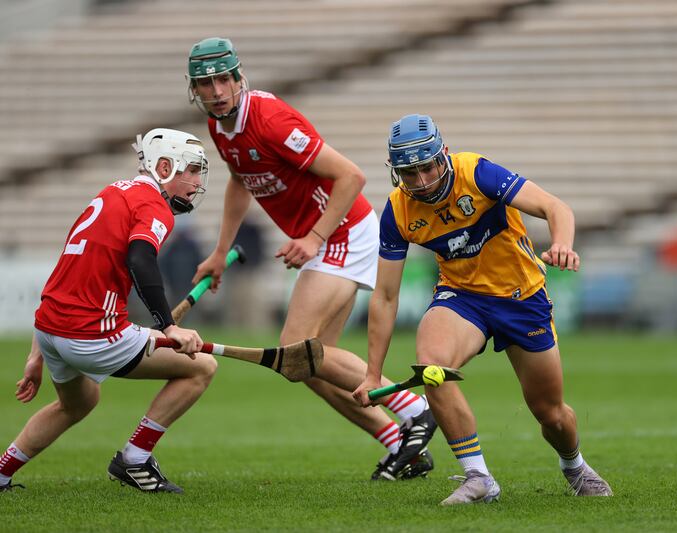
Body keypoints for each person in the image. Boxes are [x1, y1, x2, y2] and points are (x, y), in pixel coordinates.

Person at [186, 37, 436, 479]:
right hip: (327, 237)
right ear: (195, 89)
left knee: (293, 348)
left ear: (239, 78)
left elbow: (351, 176)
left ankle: (415, 408)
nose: (218, 90)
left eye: (224, 79)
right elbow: (240, 181)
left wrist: (312, 237)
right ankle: (403, 447)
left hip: (343, 231)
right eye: (207, 83)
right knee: (309, 368)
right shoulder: (219, 127)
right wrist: (220, 252)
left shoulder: (270, 119)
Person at [353, 114, 613, 504]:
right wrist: (372, 373)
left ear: (443, 155)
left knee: (551, 413)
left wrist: (563, 243)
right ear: (396, 174)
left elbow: (555, 207)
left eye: (427, 167)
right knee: (432, 367)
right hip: (462, 298)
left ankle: (573, 464)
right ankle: (478, 477)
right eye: (410, 173)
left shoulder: (476, 173)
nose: (421, 181)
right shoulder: (397, 212)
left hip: (521, 297)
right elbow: (385, 296)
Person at [0, 129, 217, 494]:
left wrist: (38, 353)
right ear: (164, 167)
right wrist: (168, 327)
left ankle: (1, 472)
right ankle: (134, 460)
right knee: (202, 368)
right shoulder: (153, 205)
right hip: (91, 335)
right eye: (191, 170)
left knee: (79, 403)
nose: (197, 182)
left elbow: (66, 270)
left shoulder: (113, 191)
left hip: (52, 327)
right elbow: (141, 259)